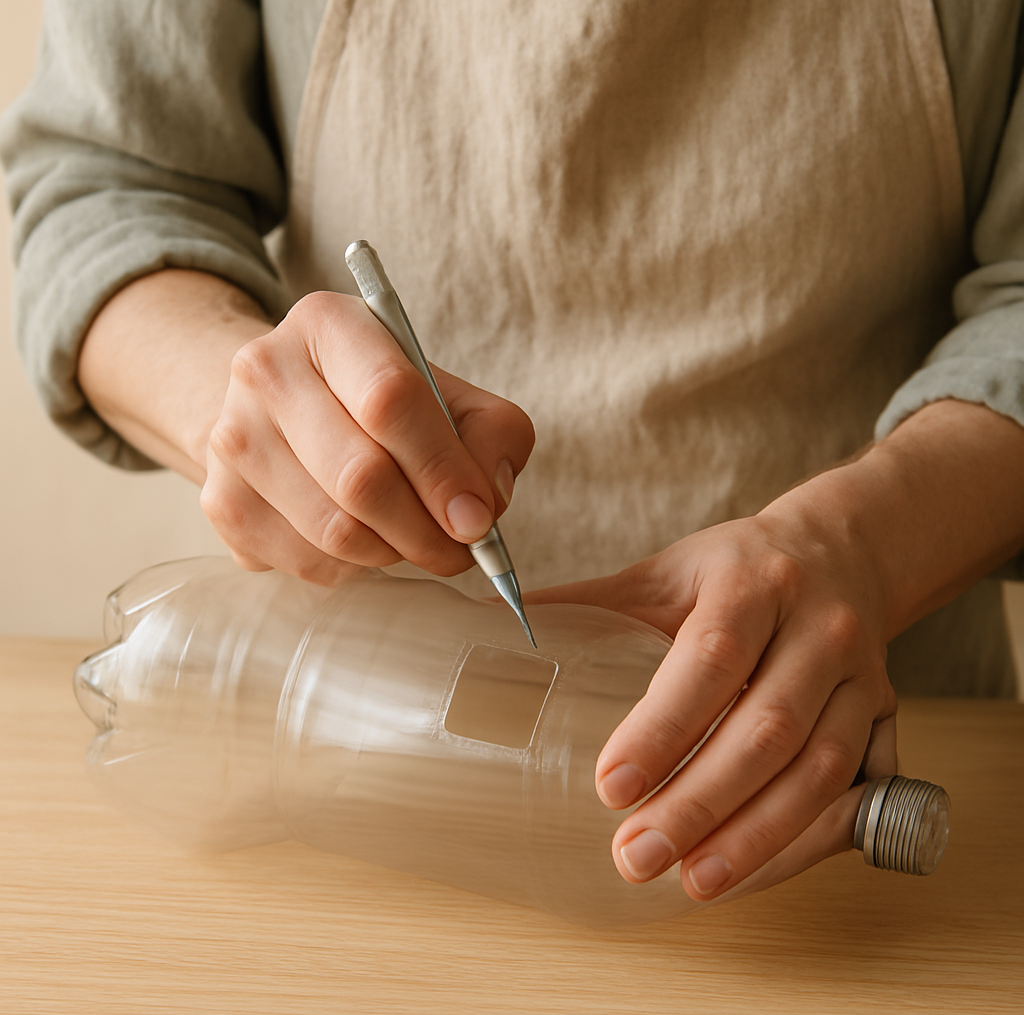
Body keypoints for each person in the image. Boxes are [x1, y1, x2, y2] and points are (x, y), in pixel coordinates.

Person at [4, 0, 1024, 902]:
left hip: (857, 733)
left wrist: (859, 545)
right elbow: (107, 183)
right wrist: (248, 407)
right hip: (338, 770)